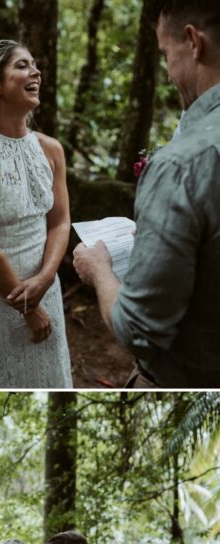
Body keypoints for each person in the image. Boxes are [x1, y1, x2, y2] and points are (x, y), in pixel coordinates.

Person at [72, 0, 220, 387]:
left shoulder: (182, 165)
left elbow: (138, 329)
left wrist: (99, 270)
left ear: (192, 42)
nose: (169, 74)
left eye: (166, 54)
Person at [0, 39, 73, 388]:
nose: (35, 71)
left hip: (46, 291)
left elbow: (59, 221)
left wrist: (45, 279)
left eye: (35, 64)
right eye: (22, 65)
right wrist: (27, 307)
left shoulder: (51, 149)